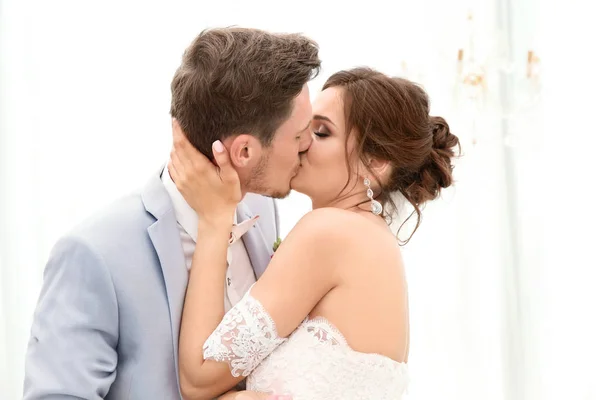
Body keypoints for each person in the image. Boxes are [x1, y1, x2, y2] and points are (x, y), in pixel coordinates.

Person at [23, 27, 320, 399]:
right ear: (244, 152)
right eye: (299, 135)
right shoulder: (94, 254)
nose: (308, 146)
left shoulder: (263, 206)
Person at [169, 66, 461, 400]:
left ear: (375, 162)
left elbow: (198, 377)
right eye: (304, 128)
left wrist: (214, 219)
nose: (302, 142)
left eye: (321, 132)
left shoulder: (330, 232)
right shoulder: (373, 238)